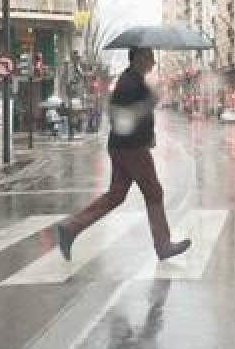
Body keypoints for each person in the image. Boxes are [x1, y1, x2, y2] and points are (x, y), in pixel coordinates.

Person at [57, 47, 191, 262]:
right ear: (138, 58)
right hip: (132, 148)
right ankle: (164, 246)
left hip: (124, 145)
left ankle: (70, 228)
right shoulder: (130, 83)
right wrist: (150, 102)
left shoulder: (132, 80)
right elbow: (124, 115)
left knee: (117, 195)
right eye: (150, 58)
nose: (153, 63)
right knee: (154, 192)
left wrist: (148, 128)